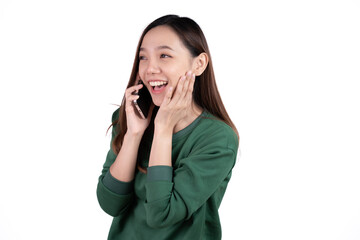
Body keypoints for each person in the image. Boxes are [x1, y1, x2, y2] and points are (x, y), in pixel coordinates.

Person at [96, 14, 239, 240]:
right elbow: (110, 203)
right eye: (143, 57)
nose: (150, 69)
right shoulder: (132, 117)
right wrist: (134, 135)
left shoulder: (218, 138)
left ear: (199, 64)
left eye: (164, 55)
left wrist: (163, 129)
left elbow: (161, 215)